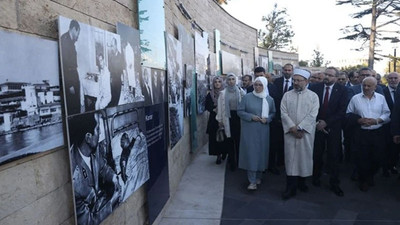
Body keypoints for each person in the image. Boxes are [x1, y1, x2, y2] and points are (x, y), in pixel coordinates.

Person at [69, 113, 121, 225]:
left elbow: (103, 168)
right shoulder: (74, 179)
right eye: (98, 129)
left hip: (99, 205)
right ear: (88, 137)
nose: (101, 133)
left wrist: (114, 177)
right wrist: (111, 203)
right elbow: (88, 221)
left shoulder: (94, 150)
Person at [280, 69, 319, 200]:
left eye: (298, 80)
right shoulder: (287, 95)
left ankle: (302, 183)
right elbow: (283, 113)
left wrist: (301, 128)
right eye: (294, 80)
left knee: (304, 158)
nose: (295, 83)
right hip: (290, 133)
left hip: (305, 134)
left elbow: (313, 115)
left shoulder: (313, 96)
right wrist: (292, 128)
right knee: (291, 160)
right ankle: (290, 187)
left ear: (306, 81)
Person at [346, 77, 390, 192]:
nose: (366, 88)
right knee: (362, 158)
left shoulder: (381, 98)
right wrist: (359, 120)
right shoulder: (355, 98)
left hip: (377, 133)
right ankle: (364, 180)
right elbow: (348, 114)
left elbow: (387, 113)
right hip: (361, 133)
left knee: (377, 157)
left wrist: (377, 120)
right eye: (364, 85)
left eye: (369, 86)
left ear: (375, 87)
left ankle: (370, 175)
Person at [309, 67, 348, 197]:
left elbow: (342, 111)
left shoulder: (342, 90)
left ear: (336, 78)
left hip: (333, 128)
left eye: (330, 75)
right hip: (316, 126)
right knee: (317, 154)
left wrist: (326, 123)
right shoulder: (315, 88)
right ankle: (315, 177)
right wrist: (318, 122)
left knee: (334, 155)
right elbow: (310, 107)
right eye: (326, 74)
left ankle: (334, 183)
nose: (327, 77)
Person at [237, 77, 276, 190]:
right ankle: (252, 180)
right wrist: (251, 117)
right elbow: (240, 111)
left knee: (261, 153)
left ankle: (259, 176)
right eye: (256, 85)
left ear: (264, 86)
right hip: (250, 130)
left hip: (263, 130)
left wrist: (267, 119)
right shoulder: (247, 97)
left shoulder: (269, 99)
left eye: (260, 85)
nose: (257, 87)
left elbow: (273, 113)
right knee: (251, 153)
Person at [216, 73, 246, 171]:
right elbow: (220, 107)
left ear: (236, 80)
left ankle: (239, 161)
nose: (231, 81)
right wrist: (220, 120)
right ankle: (232, 162)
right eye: (229, 79)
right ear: (226, 81)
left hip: (238, 118)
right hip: (228, 118)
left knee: (238, 141)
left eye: (233, 79)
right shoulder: (223, 93)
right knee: (229, 141)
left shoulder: (241, 92)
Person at [269, 64, 293, 174]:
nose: (287, 72)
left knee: (288, 141)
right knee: (275, 141)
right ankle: (275, 164)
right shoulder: (277, 82)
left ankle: (285, 163)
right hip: (277, 117)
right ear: (282, 71)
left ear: (292, 71)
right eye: (286, 70)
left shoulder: (296, 82)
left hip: (292, 118)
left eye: (289, 70)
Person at [60, 19, 82, 115]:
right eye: (78, 33)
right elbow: (64, 65)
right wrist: (70, 85)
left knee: (76, 106)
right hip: (70, 81)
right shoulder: (65, 41)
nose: (78, 36)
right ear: (74, 29)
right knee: (73, 107)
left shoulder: (70, 41)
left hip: (73, 78)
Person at [382, 72, 400, 176]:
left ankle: (393, 166)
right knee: (386, 148)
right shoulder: (382, 91)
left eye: (395, 78)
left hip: (398, 126)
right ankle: (385, 168)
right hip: (386, 125)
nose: (393, 80)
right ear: (387, 79)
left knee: (395, 149)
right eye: (391, 78)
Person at [205, 76, 227, 164]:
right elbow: (207, 106)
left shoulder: (225, 93)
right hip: (214, 119)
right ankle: (218, 156)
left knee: (225, 137)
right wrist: (214, 109)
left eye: (219, 82)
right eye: (215, 82)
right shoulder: (210, 95)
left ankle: (225, 152)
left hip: (224, 118)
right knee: (215, 137)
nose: (217, 83)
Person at [108, 37, 126, 107]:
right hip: (112, 81)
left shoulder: (121, 56)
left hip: (118, 81)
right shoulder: (111, 56)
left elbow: (123, 70)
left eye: (112, 46)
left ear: (116, 45)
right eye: (111, 46)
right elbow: (109, 69)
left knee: (116, 100)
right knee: (113, 99)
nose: (112, 48)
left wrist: (123, 82)